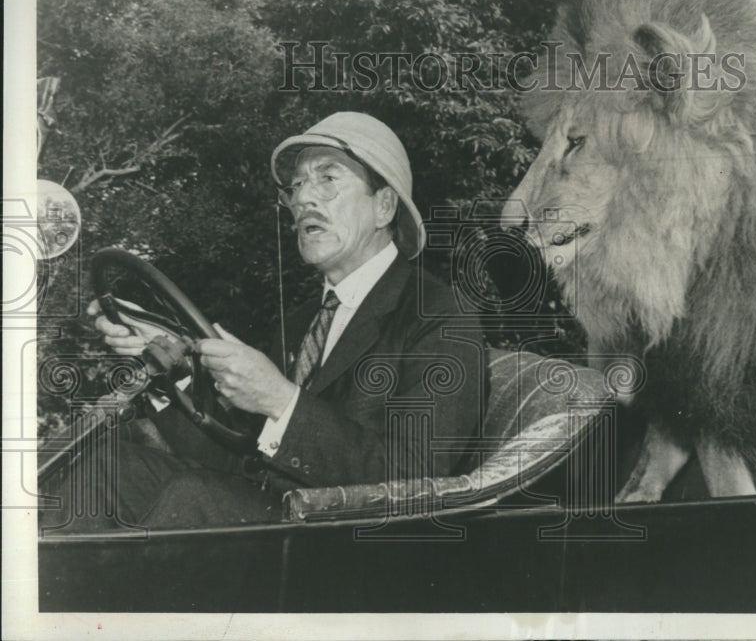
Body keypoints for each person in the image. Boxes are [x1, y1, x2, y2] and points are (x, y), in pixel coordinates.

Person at [52, 112, 486, 529]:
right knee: (104, 464)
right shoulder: (301, 322)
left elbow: (421, 478)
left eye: (328, 179)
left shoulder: (440, 315)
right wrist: (176, 369)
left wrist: (281, 400)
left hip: (349, 548)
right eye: (296, 185)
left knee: (189, 498)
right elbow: (240, 455)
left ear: (385, 206)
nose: (302, 199)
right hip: (272, 520)